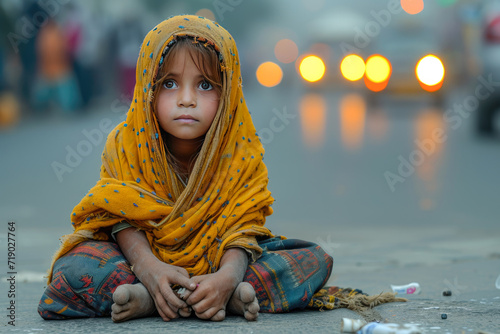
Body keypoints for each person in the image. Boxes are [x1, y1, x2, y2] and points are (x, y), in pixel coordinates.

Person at [38, 14, 404, 323]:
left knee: (313, 261)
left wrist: (228, 277)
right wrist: (149, 270)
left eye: (204, 85)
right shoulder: (126, 142)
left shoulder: (239, 147)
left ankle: (212, 295)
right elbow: (117, 217)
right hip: (139, 265)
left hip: (220, 261)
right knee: (74, 269)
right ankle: (158, 295)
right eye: (169, 83)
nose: (186, 98)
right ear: (146, 89)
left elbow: (243, 226)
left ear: (227, 93)